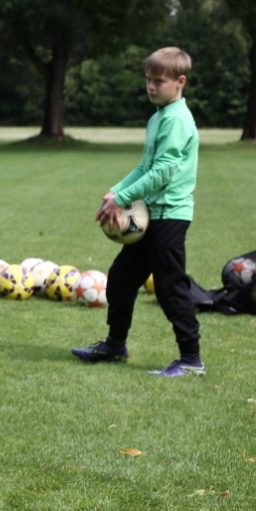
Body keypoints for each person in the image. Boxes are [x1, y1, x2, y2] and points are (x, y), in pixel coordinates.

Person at [72, 47, 203, 377]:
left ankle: (191, 359)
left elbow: (162, 172)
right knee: (121, 278)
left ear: (180, 81)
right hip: (150, 215)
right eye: (148, 80)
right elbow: (145, 167)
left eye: (159, 81)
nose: (151, 86)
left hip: (170, 215)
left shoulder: (176, 119)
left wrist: (123, 198)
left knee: (170, 288)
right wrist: (115, 191)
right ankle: (115, 345)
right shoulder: (159, 116)